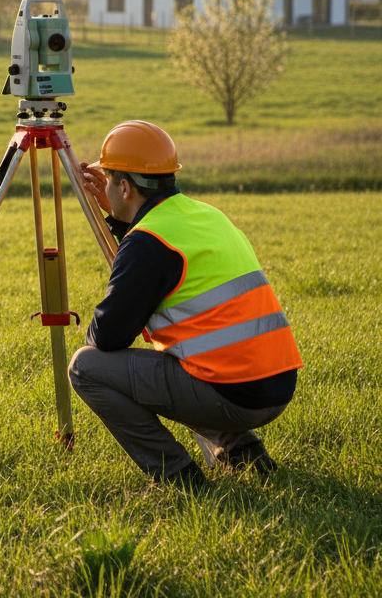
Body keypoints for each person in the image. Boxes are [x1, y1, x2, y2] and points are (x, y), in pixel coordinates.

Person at [69, 120, 302, 490]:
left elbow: (108, 338)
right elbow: (160, 256)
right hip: (277, 384)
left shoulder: (149, 241)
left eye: (111, 179)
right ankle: (243, 454)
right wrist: (120, 220)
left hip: (234, 395)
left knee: (86, 367)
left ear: (125, 187)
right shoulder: (207, 215)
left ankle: (179, 475)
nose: (109, 187)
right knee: (187, 359)